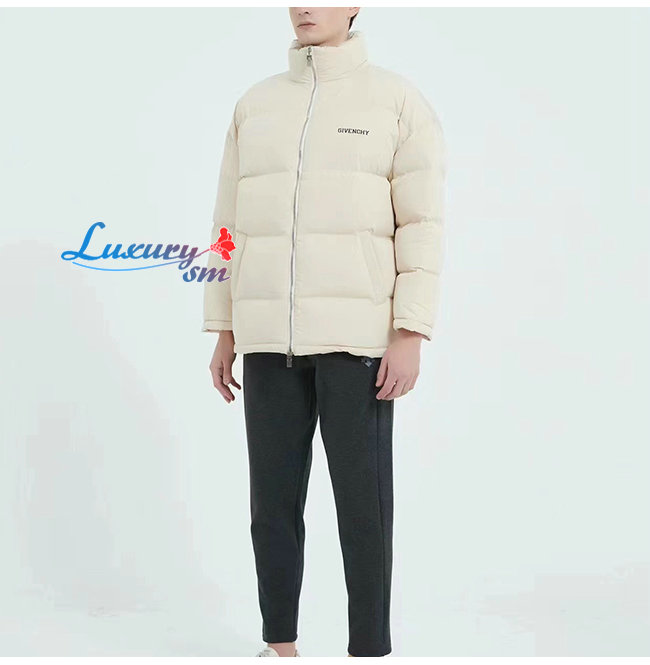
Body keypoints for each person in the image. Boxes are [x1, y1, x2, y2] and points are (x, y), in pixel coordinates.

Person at [202, 7, 446, 658]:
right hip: (267, 342)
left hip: (358, 343)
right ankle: (279, 646)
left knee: (363, 509)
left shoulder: (396, 101)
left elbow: (422, 224)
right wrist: (224, 326)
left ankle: (367, 649)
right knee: (271, 507)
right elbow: (227, 223)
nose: (305, 6)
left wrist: (410, 330)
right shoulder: (255, 105)